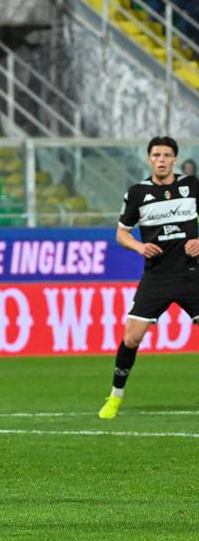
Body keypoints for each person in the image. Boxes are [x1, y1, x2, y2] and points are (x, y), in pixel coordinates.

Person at [98, 137, 199, 420]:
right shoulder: (138, 193)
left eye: (167, 155)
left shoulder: (191, 186)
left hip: (192, 273)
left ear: (176, 159)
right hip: (157, 277)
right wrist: (140, 247)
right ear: (149, 159)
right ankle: (115, 397)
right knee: (131, 338)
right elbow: (121, 233)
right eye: (157, 155)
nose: (162, 159)